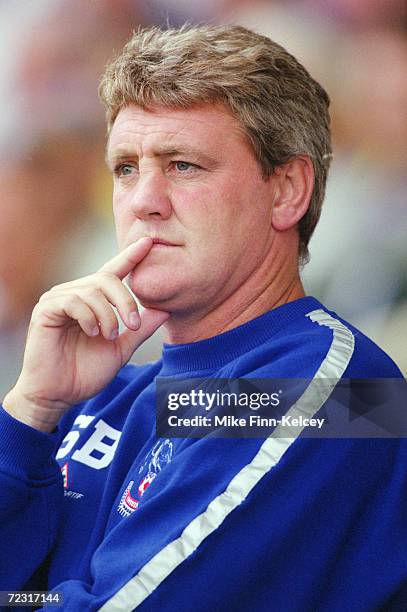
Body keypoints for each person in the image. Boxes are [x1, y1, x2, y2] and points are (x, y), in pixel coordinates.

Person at [0, 24, 406, 611]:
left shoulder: (348, 395)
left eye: (183, 165)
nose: (144, 200)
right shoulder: (103, 392)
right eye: (125, 168)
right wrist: (28, 413)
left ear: (287, 190)